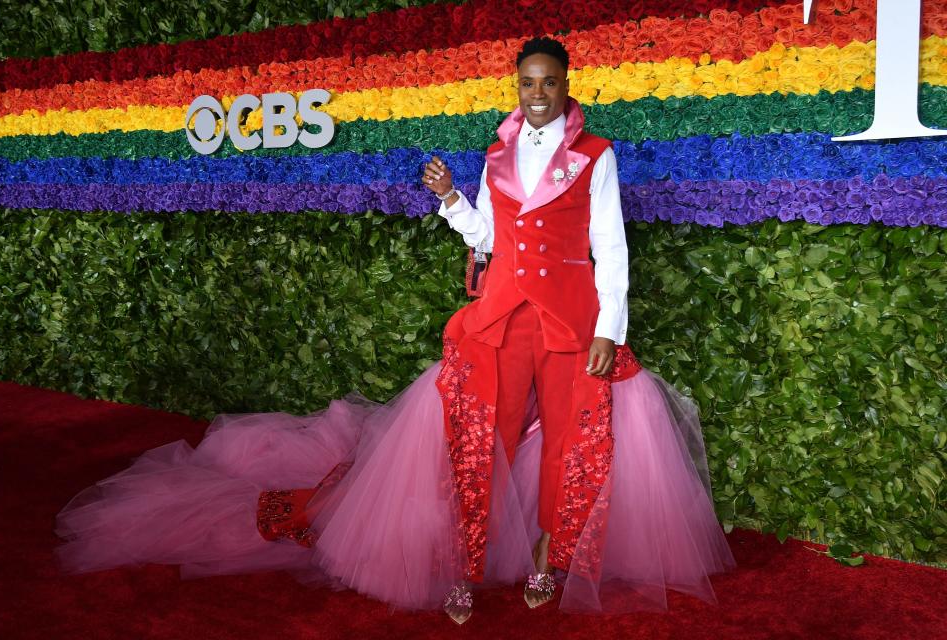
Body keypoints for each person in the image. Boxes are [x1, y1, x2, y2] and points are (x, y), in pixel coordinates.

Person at [55, 37, 736, 626]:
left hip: (569, 318)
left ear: (567, 86)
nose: (536, 94)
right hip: (498, 314)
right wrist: (450, 201)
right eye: (526, 83)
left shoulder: (596, 154)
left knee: (567, 443)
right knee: (481, 440)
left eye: (548, 83)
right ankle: (467, 559)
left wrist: (609, 329)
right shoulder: (496, 154)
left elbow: (611, 247)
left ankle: (545, 556)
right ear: (516, 86)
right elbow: (490, 238)